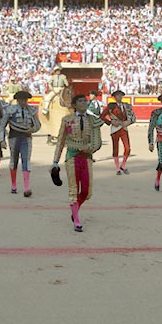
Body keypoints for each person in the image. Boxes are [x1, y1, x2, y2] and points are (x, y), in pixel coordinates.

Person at [52, 94, 102, 232]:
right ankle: (77, 220)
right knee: (73, 189)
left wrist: (91, 148)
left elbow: (97, 140)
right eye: (80, 101)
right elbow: (61, 141)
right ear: (74, 105)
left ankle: (75, 211)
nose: (84, 103)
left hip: (86, 157)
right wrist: (55, 162)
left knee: (87, 191)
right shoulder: (67, 120)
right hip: (72, 157)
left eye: (85, 100)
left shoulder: (93, 120)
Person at [0, 90, 41, 196]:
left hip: (26, 138)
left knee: (26, 161)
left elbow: (38, 125)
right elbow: (2, 125)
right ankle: (14, 186)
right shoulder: (10, 110)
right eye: (22, 100)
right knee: (13, 161)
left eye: (25, 100)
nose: (24, 102)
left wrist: (32, 130)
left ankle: (27, 188)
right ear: (17, 100)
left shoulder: (31, 110)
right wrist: (2, 140)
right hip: (14, 138)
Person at [99, 90, 136, 175]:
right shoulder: (111, 106)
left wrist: (129, 122)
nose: (119, 97)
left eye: (120, 95)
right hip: (115, 129)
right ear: (114, 97)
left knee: (127, 148)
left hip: (124, 128)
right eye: (117, 95)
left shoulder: (126, 106)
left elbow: (133, 117)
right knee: (116, 148)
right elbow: (101, 116)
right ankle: (117, 168)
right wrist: (111, 122)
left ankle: (123, 165)